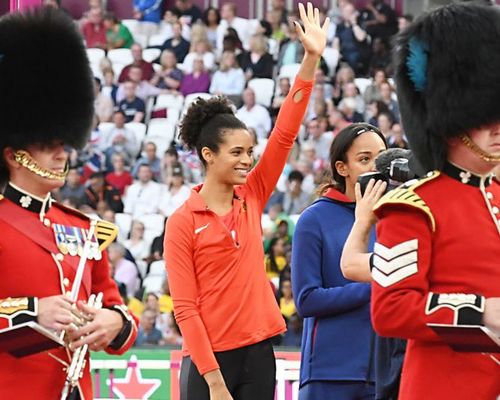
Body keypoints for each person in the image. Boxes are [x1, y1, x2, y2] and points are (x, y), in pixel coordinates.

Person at [164, 4, 329, 399]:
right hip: (207, 366)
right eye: (236, 152)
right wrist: (215, 382)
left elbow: (285, 132)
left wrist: (310, 59)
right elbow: (185, 310)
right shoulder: (182, 221)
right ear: (209, 155)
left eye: (250, 151)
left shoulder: (252, 193)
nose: (247, 159)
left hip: (259, 354)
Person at [0, 8, 137, 399]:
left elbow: (116, 307)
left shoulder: (83, 228)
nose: (62, 156)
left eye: (64, 145)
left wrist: (113, 322)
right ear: (13, 153)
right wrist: (30, 312)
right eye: (48, 146)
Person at [370, 3, 500, 399]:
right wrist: (478, 312)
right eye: (484, 117)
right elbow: (390, 309)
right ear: (451, 122)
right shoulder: (413, 206)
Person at [292, 123, 387, 400]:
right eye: (364, 159)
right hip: (328, 374)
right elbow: (306, 299)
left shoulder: (395, 219)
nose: (374, 166)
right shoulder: (314, 219)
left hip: (385, 376)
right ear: (342, 168)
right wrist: (377, 286)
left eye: (380, 158)